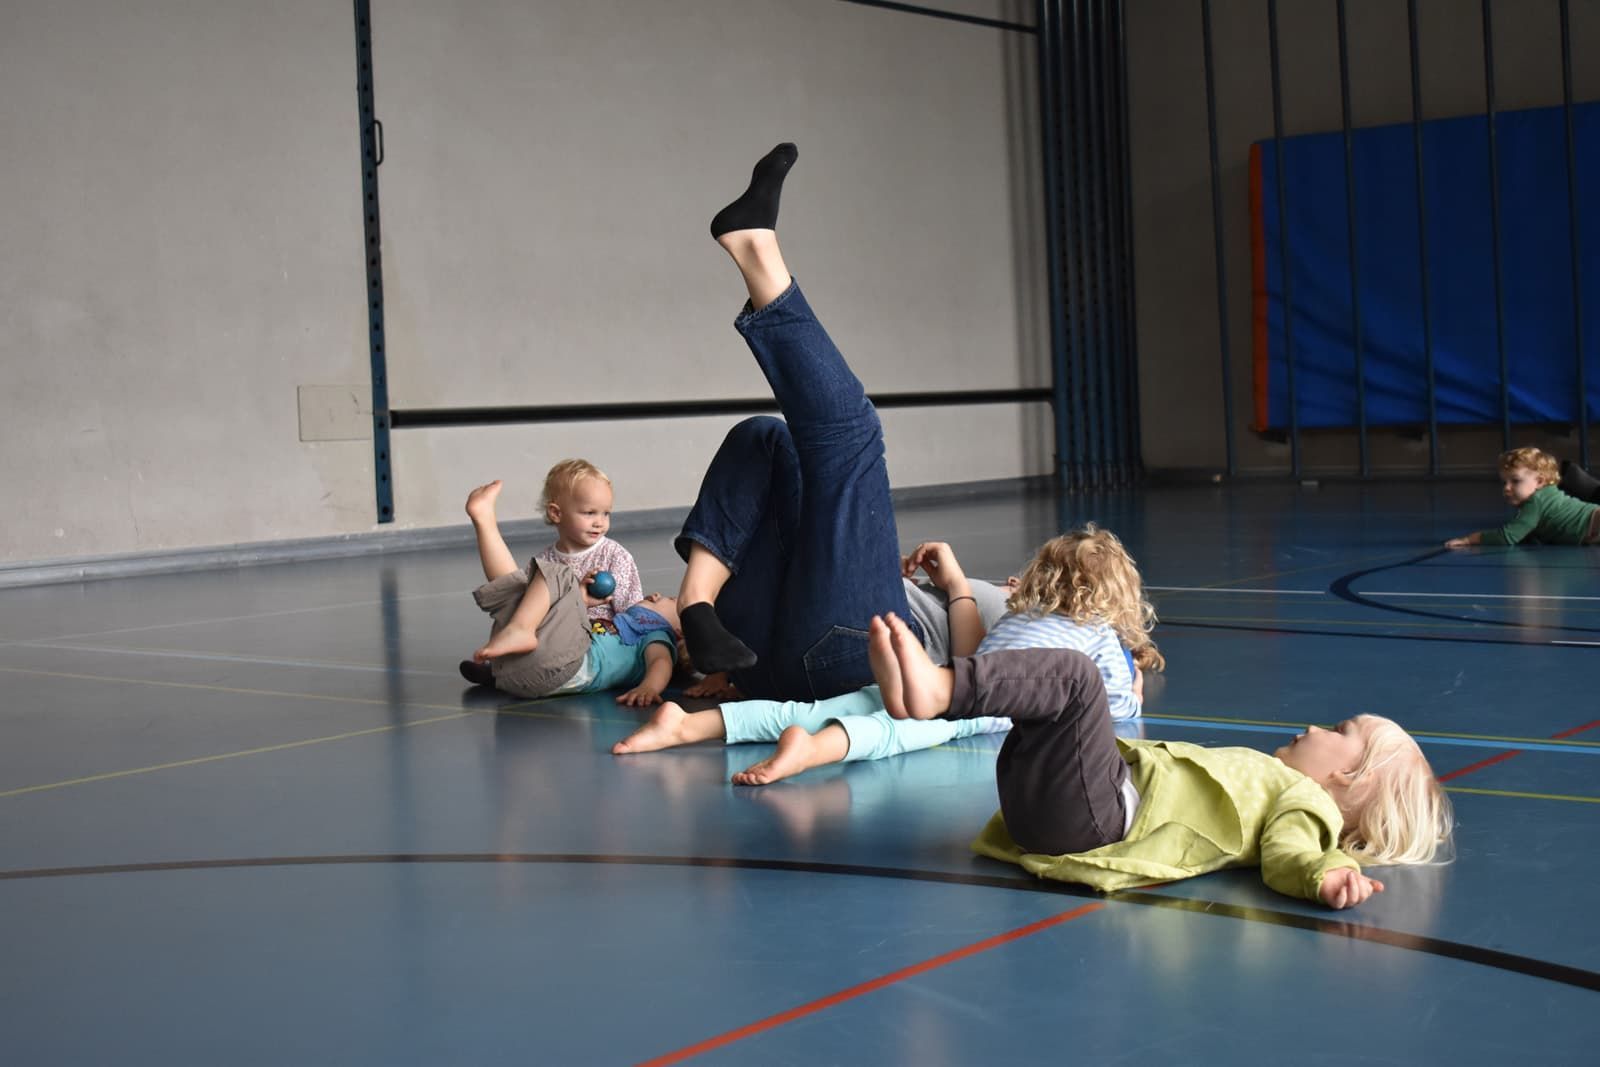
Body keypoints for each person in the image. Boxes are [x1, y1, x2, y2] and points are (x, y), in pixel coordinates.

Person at [671, 142, 1002, 703]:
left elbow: (969, 673)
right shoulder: (1014, 595)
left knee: (852, 441)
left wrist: (959, 588)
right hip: (754, 652)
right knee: (766, 435)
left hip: (858, 656)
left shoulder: (1011, 617)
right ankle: (696, 603)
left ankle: (757, 248)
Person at [867, 614, 1453, 909]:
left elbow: (1290, 857)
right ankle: (935, 690)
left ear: (1349, 776)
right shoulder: (1282, 783)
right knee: (1045, 705)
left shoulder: (1305, 804)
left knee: (1074, 678)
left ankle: (938, 692)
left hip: (1099, 822)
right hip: (1063, 812)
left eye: (1340, 729)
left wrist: (1324, 879)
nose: (1317, 725)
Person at [613, 528, 1165, 788]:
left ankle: (687, 725)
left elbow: (972, 660)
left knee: (820, 704)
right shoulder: (1100, 638)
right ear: (1115, 600)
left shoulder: (1021, 616)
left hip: (956, 678)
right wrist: (1132, 691)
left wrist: (957, 591)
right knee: (891, 729)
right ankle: (811, 753)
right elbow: (1112, 703)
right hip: (972, 707)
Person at [458, 479, 682, 707]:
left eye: (672, 600)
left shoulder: (655, 634)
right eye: (590, 512)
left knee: (560, 575)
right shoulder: (629, 626)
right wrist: (580, 600)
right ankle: (484, 520)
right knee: (517, 592)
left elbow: (660, 663)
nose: (655, 594)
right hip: (540, 668)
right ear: (555, 513)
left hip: (569, 661)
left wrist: (649, 687)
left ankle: (519, 631)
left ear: (677, 632)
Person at [532, 459, 644, 629]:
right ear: (556, 513)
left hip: (607, 637)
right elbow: (533, 614)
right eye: (590, 513)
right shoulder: (543, 564)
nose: (600, 522)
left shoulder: (615, 556)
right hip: (560, 637)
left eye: (606, 513)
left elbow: (632, 610)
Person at [1445, 446, 1600, 547]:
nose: (1507, 487)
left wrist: (1470, 539)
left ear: (1539, 481)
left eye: (1515, 481)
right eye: (1504, 482)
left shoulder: (1536, 502)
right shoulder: (1547, 494)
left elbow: (1508, 536)